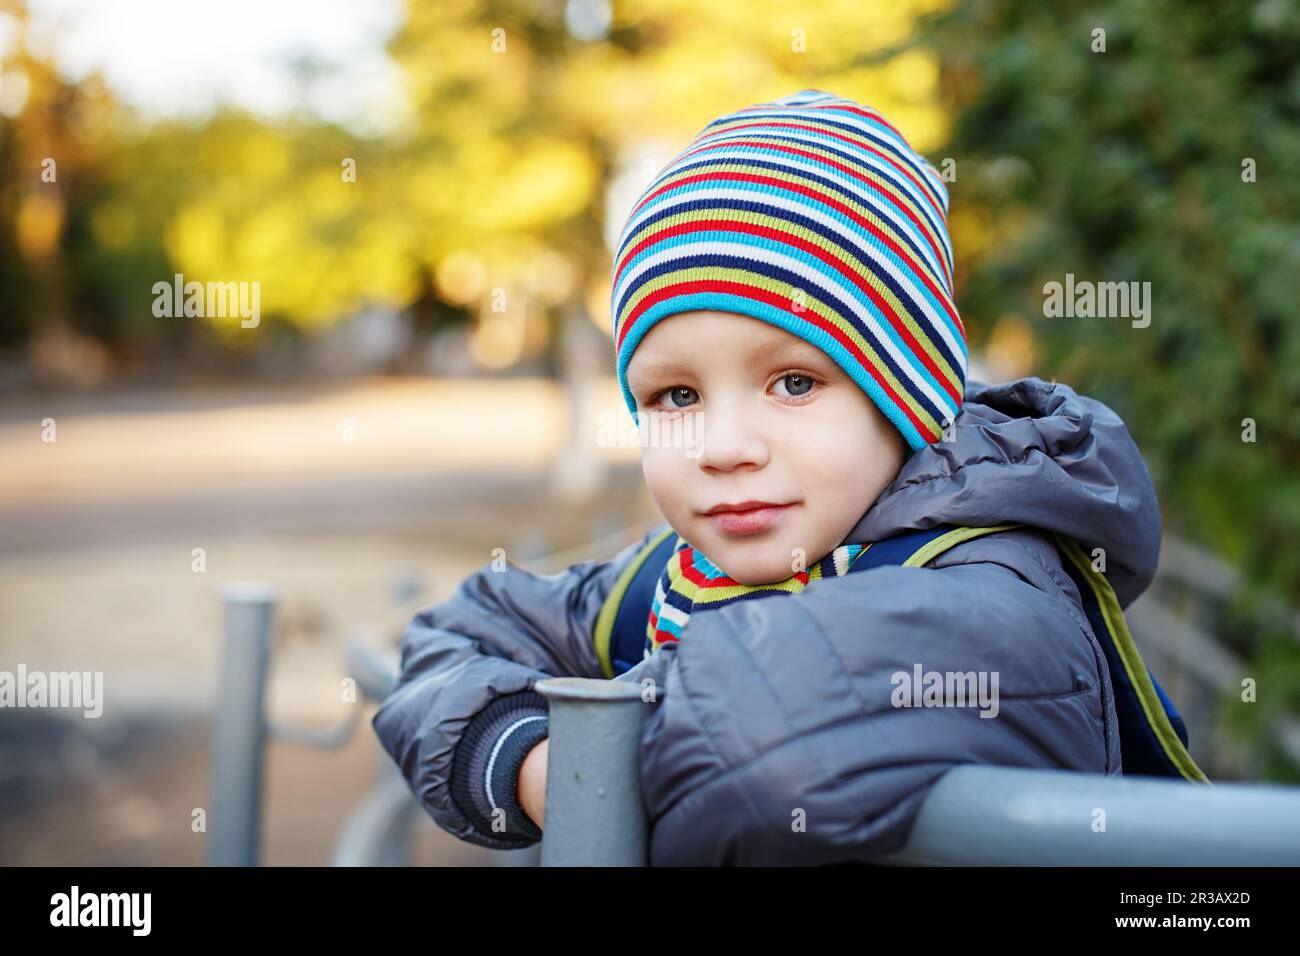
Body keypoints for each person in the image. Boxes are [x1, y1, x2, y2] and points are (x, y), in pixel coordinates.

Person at [372, 89, 1162, 865]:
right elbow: (460, 632)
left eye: (794, 383)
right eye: (677, 395)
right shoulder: (674, 577)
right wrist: (532, 763)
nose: (723, 447)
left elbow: (768, 736)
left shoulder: (1002, 589)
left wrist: (602, 764)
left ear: (908, 391)